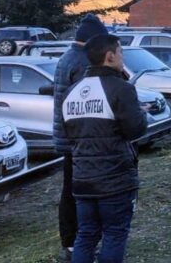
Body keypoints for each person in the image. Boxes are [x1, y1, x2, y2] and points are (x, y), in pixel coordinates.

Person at [62, 34, 148, 263]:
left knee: (86, 235)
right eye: (121, 52)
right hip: (114, 178)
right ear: (110, 56)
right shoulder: (121, 88)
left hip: (82, 178)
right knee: (114, 234)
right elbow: (136, 130)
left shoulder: (72, 92)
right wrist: (143, 113)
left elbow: (68, 134)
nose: (122, 57)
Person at [52, 14, 108, 262]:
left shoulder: (67, 57)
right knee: (77, 191)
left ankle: (73, 241)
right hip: (77, 138)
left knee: (71, 189)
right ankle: (76, 243)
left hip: (67, 136)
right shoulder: (81, 61)